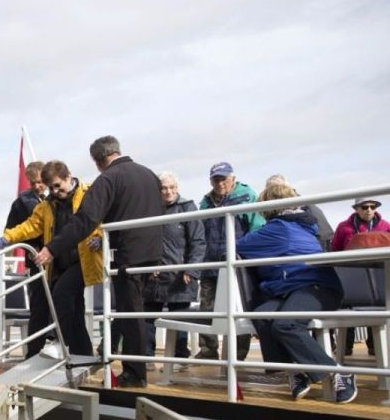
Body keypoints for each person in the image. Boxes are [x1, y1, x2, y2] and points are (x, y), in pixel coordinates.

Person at [35, 135, 163, 387]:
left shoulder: (109, 178)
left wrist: (52, 248)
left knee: (129, 313)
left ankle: (135, 374)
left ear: (98, 160)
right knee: (135, 311)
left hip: (127, 253)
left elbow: (85, 220)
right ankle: (133, 368)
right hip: (152, 252)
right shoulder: (149, 175)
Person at [236, 182, 357, 403]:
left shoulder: (279, 228)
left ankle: (337, 372)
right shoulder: (300, 225)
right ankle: (295, 370)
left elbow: (239, 245)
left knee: (286, 324)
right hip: (293, 289)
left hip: (317, 288)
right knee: (262, 315)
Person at [0, 160, 102, 358]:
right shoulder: (47, 205)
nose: (55, 191)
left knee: (61, 294)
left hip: (83, 259)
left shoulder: (88, 195)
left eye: (57, 185)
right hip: (59, 262)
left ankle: (59, 342)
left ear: (68, 177)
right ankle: (83, 353)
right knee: (75, 306)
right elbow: (31, 225)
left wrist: (99, 237)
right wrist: (8, 237)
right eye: (51, 187)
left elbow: (100, 220)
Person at [195, 162, 264, 361]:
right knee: (206, 308)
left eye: (223, 178)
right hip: (211, 263)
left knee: (237, 309)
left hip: (236, 263)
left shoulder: (247, 195)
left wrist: (247, 258)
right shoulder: (206, 202)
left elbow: (256, 228)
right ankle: (208, 351)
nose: (220, 183)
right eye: (215, 179)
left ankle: (238, 354)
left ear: (232, 178)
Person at [144, 172, 205, 369]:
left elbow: (198, 241)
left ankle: (180, 358)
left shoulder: (187, 208)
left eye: (172, 187)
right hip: (155, 274)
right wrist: (148, 265)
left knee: (179, 320)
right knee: (147, 318)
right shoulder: (150, 210)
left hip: (181, 275)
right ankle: (147, 358)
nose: (168, 191)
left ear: (177, 188)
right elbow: (144, 241)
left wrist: (191, 269)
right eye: (164, 188)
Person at [331, 195, 389, 356]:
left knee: (378, 307)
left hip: (379, 274)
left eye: (373, 206)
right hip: (352, 274)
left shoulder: (386, 226)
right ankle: (346, 347)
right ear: (356, 209)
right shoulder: (344, 227)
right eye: (364, 207)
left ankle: (375, 346)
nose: (369, 210)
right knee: (348, 307)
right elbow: (335, 249)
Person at [2, 161, 49, 357]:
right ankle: (34, 351)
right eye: (33, 183)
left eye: (40, 182)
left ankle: (56, 344)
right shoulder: (22, 203)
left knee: (59, 301)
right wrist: (28, 249)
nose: (38, 186)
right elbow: (12, 230)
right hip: (37, 259)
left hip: (56, 258)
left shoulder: (52, 199)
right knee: (39, 304)